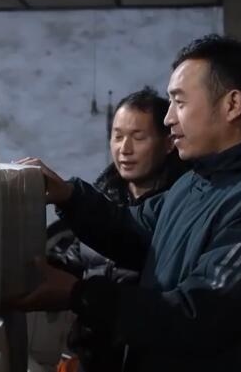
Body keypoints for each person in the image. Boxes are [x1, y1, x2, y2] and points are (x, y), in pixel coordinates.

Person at [13, 34, 241, 371]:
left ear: (232, 105)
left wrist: (80, 294)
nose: (168, 119)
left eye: (179, 102)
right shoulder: (197, 182)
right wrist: (69, 196)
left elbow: (201, 314)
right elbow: (135, 230)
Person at [45, 87, 190, 372]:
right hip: (93, 356)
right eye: (118, 136)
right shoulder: (98, 202)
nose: (125, 149)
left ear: (168, 143)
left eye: (138, 137)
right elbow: (76, 261)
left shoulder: (181, 205)